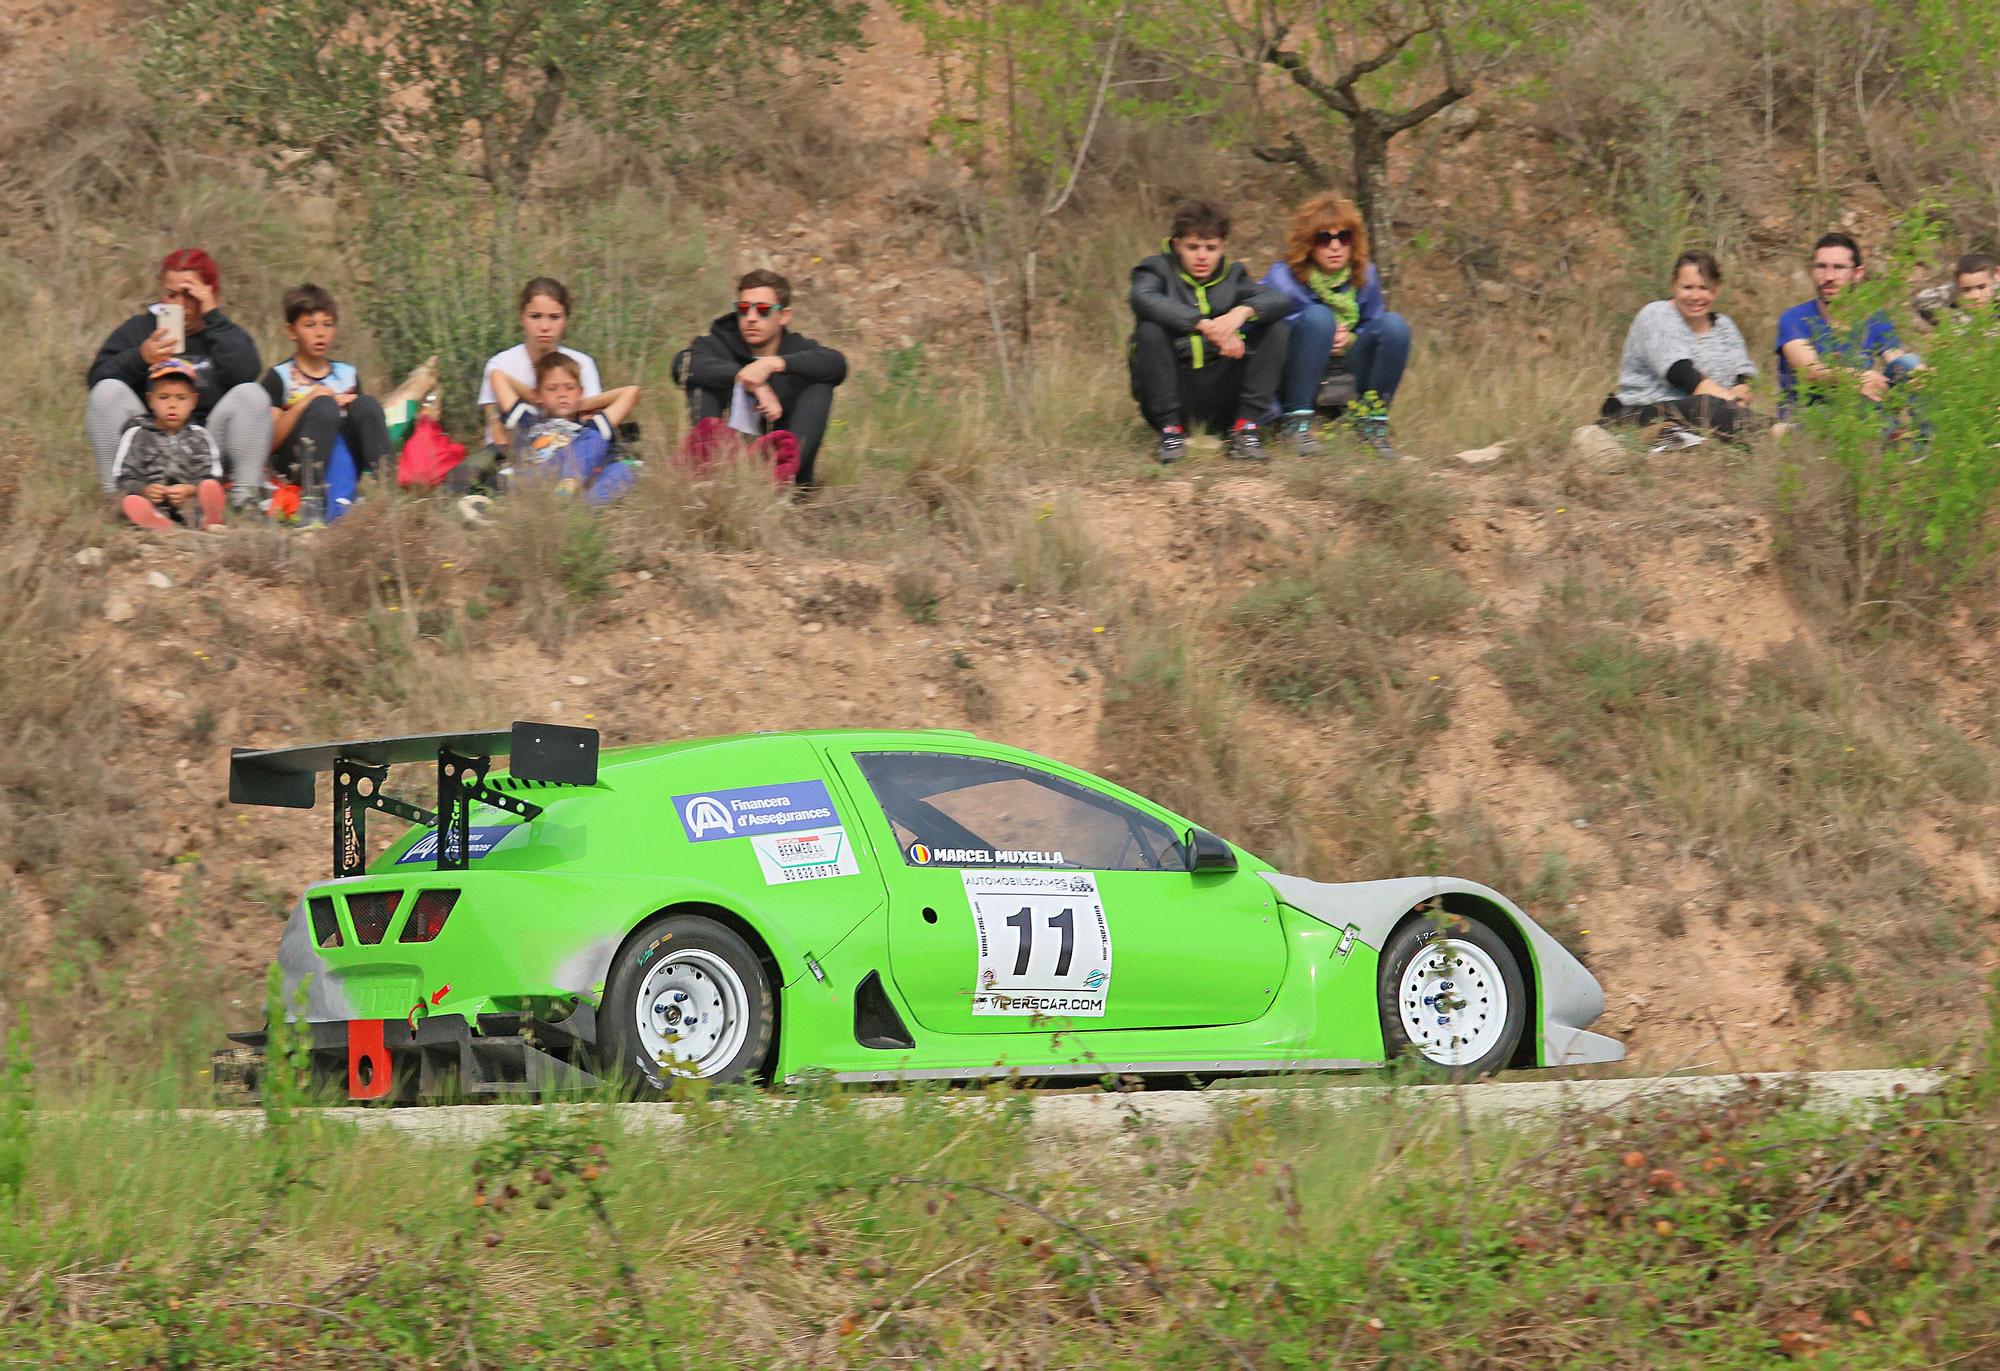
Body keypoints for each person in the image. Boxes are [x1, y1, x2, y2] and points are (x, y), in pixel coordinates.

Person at [87, 248, 270, 505]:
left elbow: (246, 374)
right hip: (147, 445)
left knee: (252, 395)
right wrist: (140, 357)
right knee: (107, 392)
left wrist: (212, 318)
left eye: (189, 295)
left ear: (208, 293)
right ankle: (119, 499)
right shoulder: (140, 329)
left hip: (204, 447)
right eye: (170, 295)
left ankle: (244, 499)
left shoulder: (223, 332)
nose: (178, 305)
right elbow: (98, 380)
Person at [1128, 199, 1291, 463]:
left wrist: (1242, 313)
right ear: (1177, 244)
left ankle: (1245, 429)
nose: (1202, 256)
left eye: (1211, 248)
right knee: (1149, 329)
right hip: (1173, 394)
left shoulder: (1234, 275)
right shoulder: (1155, 269)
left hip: (1223, 395)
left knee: (1275, 327)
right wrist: (1203, 325)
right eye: (1193, 247)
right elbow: (1142, 298)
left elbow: (1279, 300)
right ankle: (1170, 433)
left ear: (1223, 247)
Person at [1259, 192, 1413, 457]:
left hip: (1344, 374)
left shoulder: (1365, 275)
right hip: (1296, 376)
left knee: (1394, 326)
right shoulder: (1282, 277)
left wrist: (1350, 337)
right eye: (1324, 238)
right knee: (1318, 318)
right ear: (1308, 243)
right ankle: (1295, 424)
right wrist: (1320, 331)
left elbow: (1372, 326)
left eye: (1344, 237)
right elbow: (1267, 333)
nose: (1335, 247)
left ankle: (1371, 425)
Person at [677, 269, 848, 488]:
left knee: (820, 384)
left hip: (779, 472)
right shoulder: (719, 344)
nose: (751, 318)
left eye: (763, 310)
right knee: (702, 378)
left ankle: (784, 480)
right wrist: (747, 379)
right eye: (743, 309)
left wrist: (772, 364)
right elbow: (681, 364)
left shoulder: (796, 348)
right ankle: (708, 473)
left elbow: (836, 363)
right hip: (726, 468)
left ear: (784, 316)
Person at [1600, 251, 1767, 445]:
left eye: (1704, 287)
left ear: (1716, 289)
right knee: (1707, 405)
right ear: (1673, 285)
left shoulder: (1724, 325)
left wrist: (1742, 388)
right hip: (1645, 410)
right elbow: (1681, 374)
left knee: (1717, 410)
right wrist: (1732, 401)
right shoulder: (1656, 315)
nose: (1696, 296)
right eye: (1687, 287)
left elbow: (1745, 371)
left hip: (1719, 411)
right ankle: (1770, 432)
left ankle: (1781, 431)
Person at [262, 284, 392, 521]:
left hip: (343, 456)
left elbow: (363, 422)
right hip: (294, 463)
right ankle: (310, 502)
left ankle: (390, 495)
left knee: (367, 405)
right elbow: (270, 440)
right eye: (310, 325)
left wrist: (351, 405)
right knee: (323, 406)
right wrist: (308, 400)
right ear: (291, 331)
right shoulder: (278, 376)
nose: (320, 333)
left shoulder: (348, 374)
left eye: (328, 324)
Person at [1775, 232, 1918, 411]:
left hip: (1861, 412)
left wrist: (1918, 373)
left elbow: (1896, 358)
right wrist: (1857, 378)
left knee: (1911, 366)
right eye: (1821, 267)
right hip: (1811, 418)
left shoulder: (1874, 317)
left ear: (1857, 273)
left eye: (1839, 267)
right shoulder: (1795, 318)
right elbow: (1810, 371)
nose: (1828, 276)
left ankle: (1924, 439)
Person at [489, 353, 641, 504]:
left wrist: (581, 403)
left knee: (621, 465)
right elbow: (497, 375)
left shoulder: (586, 427)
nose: (562, 394)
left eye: (569, 388)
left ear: (580, 391)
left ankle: (576, 504)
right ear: (538, 394)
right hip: (542, 472)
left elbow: (631, 392)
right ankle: (564, 495)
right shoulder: (528, 421)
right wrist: (535, 399)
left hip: (583, 476)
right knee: (510, 476)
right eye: (552, 388)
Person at [477, 278, 603, 448]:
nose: (544, 326)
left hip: (571, 451)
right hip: (515, 451)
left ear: (565, 319)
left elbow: (589, 421)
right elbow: (495, 426)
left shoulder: (582, 364)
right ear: (522, 317)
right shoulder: (500, 365)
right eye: (535, 316)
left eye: (554, 317)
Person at [110, 360, 227, 531]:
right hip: (153, 501)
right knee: (131, 502)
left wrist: (190, 489)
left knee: (209, 488)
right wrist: (145, 489)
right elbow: (123, 477)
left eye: (181, 398)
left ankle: (208, 520)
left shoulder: (200, 436)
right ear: (150, 400)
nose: (172, 405)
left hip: (188, 503)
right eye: (163, 397)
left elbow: (213, 475)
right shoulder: (137, 434)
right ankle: (156, 521)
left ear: (193, 402)